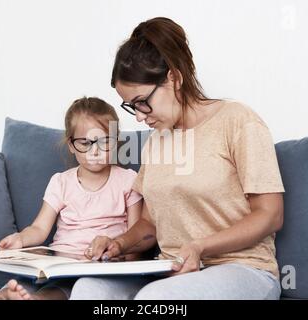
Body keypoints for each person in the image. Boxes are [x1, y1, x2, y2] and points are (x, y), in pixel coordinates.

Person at [72, 17, 285, 300]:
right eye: (130, 106)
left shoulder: (238, 121)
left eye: (141, 101)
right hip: (171, 270)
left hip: (242, 268)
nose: (138, 115)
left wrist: (200, 247)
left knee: (158, 299)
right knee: (89, 290)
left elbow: (270, 214)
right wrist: (119, 244)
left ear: (173, 78)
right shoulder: (157, 140)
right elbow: (149, 224)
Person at [0, 97, 143, 300]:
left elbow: (136, 239)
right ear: (71, 144)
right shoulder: (61, 182)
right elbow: (39, 228)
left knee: (76, 287)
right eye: (85, 143)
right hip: (61, 263)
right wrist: (20, 239)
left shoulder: (128, 180)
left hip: (101, 264)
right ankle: (4, 296)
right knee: (27, 282)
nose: (95, 150)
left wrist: (121, 259)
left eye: (105, 141)